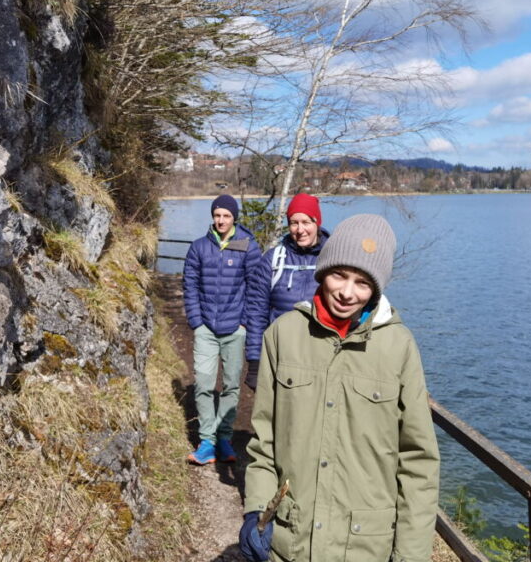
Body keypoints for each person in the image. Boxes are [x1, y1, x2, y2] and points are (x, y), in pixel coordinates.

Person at [239, 214, 439, 562]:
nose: (347, 293)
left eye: (363, 283)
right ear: (322, 272)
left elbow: (418, 462)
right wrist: (256, 509)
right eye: (339, 275)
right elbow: (263, 442)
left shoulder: (399, 346)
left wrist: (411, 555)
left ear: (376, 288)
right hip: (291, 542)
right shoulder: (283, 335)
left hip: (365, 548)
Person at [182, 194, 261, 465]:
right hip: (206, 328)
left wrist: (244, 323)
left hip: (235, 329)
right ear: (212, 217)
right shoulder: (199, 248)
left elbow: (255, 288)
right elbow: (189, 285)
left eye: (226, 215)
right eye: (217, 215)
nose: (221, 220)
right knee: (203, 383)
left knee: (230, 385)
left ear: (234, 217)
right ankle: (207, 441)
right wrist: (196, 321)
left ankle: (224, 438)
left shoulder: (247, 247)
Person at [242, 193, 329, 391]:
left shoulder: (332, 259)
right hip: (281, 357)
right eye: (293, 223)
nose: (300, 230)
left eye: (306, 222)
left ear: (317, 222)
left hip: (321, 359)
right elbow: (256, 313)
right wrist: (255, 362)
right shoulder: (273, 259)